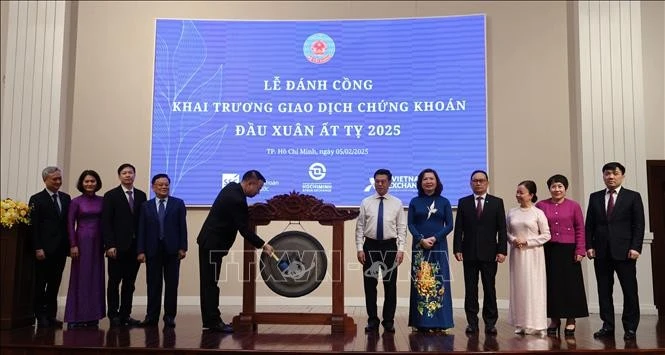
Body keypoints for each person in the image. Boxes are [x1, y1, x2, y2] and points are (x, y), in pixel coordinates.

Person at [197, 170, 274, 333]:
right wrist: (264, 245)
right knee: (210, 284)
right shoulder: (237, 199)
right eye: (258, 189)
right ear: (250, 183)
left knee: (209, 283)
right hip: (212, 244)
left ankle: (211, 320)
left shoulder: (232, 188)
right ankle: (212, 322)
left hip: (210, 243)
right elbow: (244, 230)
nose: (258, 192)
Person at [585, 162, 645, 341]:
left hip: (625, 251)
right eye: (607, 174)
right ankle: (608, 326)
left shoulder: (633, 197)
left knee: (629, 291)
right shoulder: (594, 197)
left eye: (615, 173)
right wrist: (589, 246)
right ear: (603, 176)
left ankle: (631, 327)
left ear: (622, 176)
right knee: (604, 291)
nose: (610, 177)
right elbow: (590, 225)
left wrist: (636, 247)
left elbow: (639, 224)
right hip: (601, 252)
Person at [453, 170, 507, 335]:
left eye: (481, 181)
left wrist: (502, 250)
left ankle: (490, 323)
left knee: (490, 288)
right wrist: (457, 249)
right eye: (475, 181)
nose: (478, 183)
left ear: (487, 183)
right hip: (468, 253)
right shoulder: (464, 202)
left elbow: (502, 229)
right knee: (471, 289)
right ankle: (472, 323)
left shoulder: (497, 202)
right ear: (470, 183)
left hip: (490, 253)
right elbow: (459, 229)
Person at [535, 174, 588, 336]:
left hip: (569, 250)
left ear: (565, 189)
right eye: (553, 186)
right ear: (549, 189)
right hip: (548, 249)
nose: (556, 189)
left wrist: (580, 250)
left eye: (560, 186)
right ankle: (554, 319)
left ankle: (571, 320)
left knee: (571, 285)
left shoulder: (574, 206)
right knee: (552, 285)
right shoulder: (541, 205)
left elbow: (580, 228)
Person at [355, 169, 407, 333]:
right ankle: (372, 320)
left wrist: (401, 249)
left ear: (390, 182)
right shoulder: (366, 202)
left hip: (390, 247)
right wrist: (359, 248)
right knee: (369, 285)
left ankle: (389, 321)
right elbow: (360, 228)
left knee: (390, 285)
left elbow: (402, 228)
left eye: (383, 181)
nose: (380, 184)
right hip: (369, 246)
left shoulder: (397, 203)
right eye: (377, 181)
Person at [407, 168, 454, 333]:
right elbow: (411, 224)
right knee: (421, 283)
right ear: (420, 182)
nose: (428, 181)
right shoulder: (414, 201)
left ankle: (441, 322)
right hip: (420, 247)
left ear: (437, 181)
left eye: (431, 179)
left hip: (439, 247)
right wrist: (421, 239)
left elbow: (449, 225)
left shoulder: (445, 202)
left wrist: (435, 238)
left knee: (439, 282)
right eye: (425, 179)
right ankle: (420, 322)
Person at [137, 173, 187, 328]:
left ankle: (169, 317)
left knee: (172, 285)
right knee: (153, 284)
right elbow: (141, 230)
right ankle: (151, 317)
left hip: (172, 251)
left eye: (166, 184)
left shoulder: (178, 204)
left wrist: (183, 247)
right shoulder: (146, 206)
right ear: (153, 187)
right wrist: (140, 250)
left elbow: (182, 227)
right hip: (152, 250)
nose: (164, 187)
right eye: (160, 184)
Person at [102, 163, 147, 327]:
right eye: (124, 173)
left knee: (130, 284)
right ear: (119, 176)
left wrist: (142, 248)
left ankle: (125, 314)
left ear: (134, 175)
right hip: (116, 248)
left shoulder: (141, 196)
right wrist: (109, 245)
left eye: (130, 173)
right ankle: (113, 315)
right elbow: (106, 222)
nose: (128, 175)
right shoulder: (110, 195)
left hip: (135, 248)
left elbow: (143, 223)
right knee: (114, 282)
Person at [507, 180, 551, 336]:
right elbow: (507, 232)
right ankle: (521, 322)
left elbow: (546, 235)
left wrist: (528, 242)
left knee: (534, 287)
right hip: (517, 254)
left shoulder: (538, 213)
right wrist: (513, 240)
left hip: (533, 254)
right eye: (517, 192)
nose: (518, 195)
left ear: (531, 195)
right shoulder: (512, 212)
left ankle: (538, 324)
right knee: (519, 286)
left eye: (521, 192)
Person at [29, 166, 71, 328]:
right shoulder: (37, 199)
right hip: (44, 250)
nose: (58, 182)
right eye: (55, 179)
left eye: (60, 178)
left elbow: (67, 224)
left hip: (60, 250)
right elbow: (34, 226)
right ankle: (40, 315)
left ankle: (51, 316)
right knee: (41, 284)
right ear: (45, 180)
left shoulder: (66, 198)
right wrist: (37, 248)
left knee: (55, 284)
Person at [64, 170, 106, 329]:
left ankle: (92, 316)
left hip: (98, 243)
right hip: (82, 242)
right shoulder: (75, 202)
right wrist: (73, 244)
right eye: (87, 181)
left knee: (96, 278)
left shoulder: (103, 201)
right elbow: (70, 224)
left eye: (93, 181)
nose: (90, 184)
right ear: (81, 183)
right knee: (80, 278)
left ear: (97, 183)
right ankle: (76, 316)